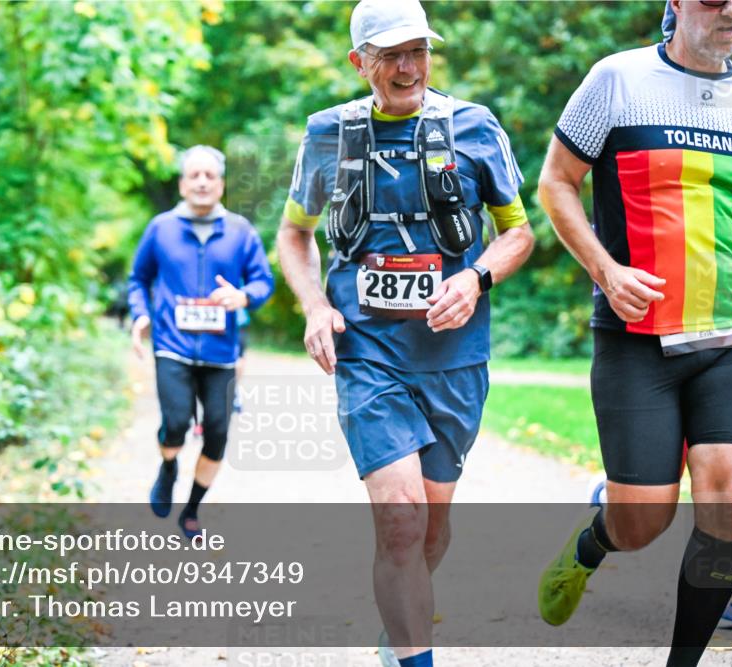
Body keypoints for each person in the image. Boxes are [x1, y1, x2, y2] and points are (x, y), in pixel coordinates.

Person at [276, 2, 534, 665]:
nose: (408, 67)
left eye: (418, 51)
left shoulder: (475, 127)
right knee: (400, 521)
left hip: (454, 356)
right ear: (359, 63)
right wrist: (314, 306)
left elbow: (518, 233)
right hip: (366, 353)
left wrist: (475, 278)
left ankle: (399, 631)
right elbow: (295, 233)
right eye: (390, 55)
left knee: (430, 531)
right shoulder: (328, 134)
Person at [536, 1, 732, 665]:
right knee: (643, 520)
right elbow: (556, 183)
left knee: (728, 492)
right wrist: (605, 270)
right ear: (677, 4)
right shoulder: (618, 80)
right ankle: (595, 538)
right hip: (637, 339)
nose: (731, 10)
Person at [128, 145, 274, 539]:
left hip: (220, 353)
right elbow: (138, 279)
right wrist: (140, 314)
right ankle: (168, 467)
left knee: (217, 435)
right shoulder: (161, 228)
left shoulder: (241, 232)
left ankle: (191, 510)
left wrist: (244, 296)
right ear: (182, 184)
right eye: (195, 175)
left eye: (210, 175)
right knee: (175, 425)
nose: (203, 182)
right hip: (171, 345)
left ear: (221, 184)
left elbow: (264, 281)